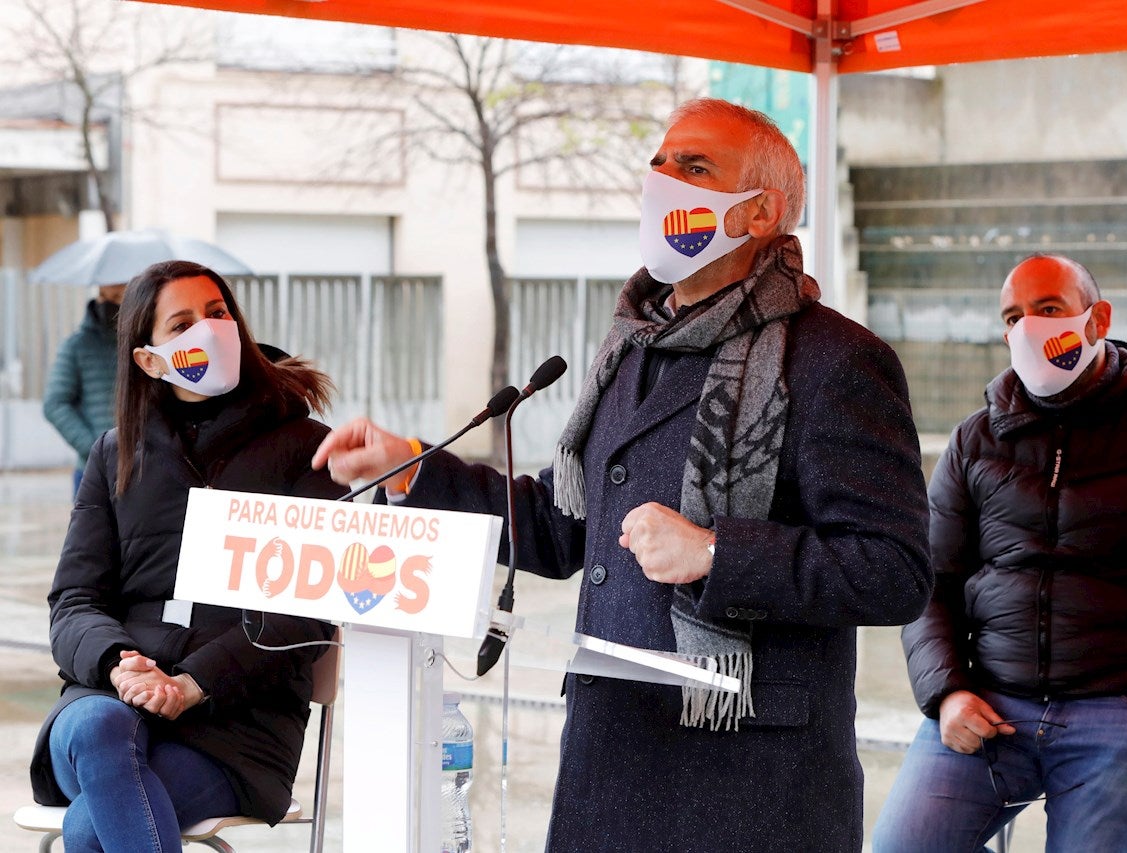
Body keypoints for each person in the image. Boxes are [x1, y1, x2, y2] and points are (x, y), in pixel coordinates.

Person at [312, 98, 932, 852]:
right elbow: (556, 525)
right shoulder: (629, 347)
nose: (664, 179)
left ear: (760, 210)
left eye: (694, 167)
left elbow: (893, 570)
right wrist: (412, 468)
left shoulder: (837, 360)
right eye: (660, 163)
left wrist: (715, 552)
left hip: (750, 786)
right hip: (610, 764)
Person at [872, 253, 1127, 853]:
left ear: (1098, 319)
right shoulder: (975, 440)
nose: (1027, 328)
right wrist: (948, 690)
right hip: (991, 706)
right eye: (1013, 316)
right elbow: (932, 583)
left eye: (1048, 309)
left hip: (1124, 710)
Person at [29, 260, 345, 852]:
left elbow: (305, 611)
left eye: (217, 312)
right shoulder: (113, 454)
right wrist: (118, 667)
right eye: (181, 324)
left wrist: (193, 683)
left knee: (91, 830)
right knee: (101, 728)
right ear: (148, 359)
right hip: (107, 703)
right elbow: (73, 601)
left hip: (234, 731)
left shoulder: (306, 451)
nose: (207, 329)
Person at [44, 283, 126, 497]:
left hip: (146, 466)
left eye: (117, 295)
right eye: (102, 295)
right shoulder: (76, 345)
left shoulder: (147, 344)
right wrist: (93, 447)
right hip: (93, 471)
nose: (106, 303)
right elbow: (55, 403)